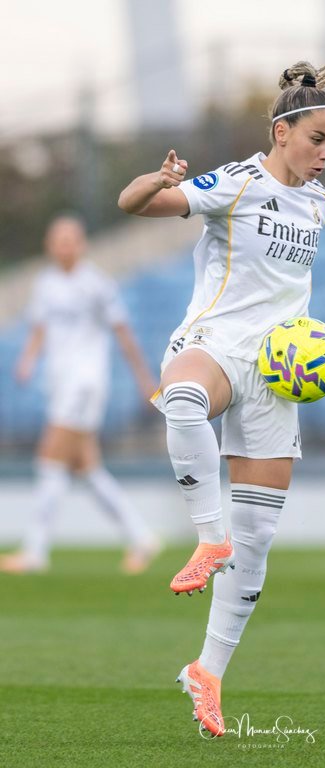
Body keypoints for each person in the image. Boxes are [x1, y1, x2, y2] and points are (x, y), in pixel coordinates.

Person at [118, 37, 325, 736]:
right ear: (281, 133)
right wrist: (156, 179)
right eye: (318, 139)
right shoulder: (236, 182)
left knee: (257, 538)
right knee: (184, 399)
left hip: (277, 371)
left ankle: (207, 673)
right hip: (216, 343)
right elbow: (133, 203)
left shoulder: (318, 204)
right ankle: (207, 537)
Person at [0, 215, 160, 575]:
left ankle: (35, 552)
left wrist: (143, 379)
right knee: (87, 468)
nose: (65, 247)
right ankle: (141, 537)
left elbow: (123, 332)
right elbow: (40, 328)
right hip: (59, 383)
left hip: (85, 384)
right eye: (59, 240)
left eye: (70, 240)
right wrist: (27, 359)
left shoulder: (96, 284)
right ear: (49, 245)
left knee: (49, 459)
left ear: (82, 244)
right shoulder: (45, 283)